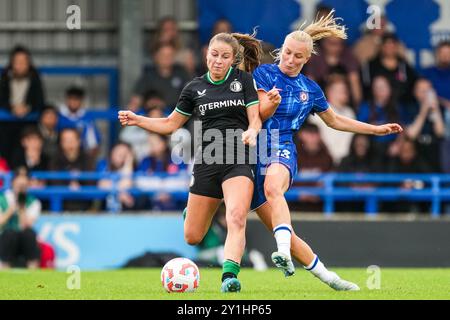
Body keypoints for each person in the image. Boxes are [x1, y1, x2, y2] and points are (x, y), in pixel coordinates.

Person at [250, 11, 402, 290]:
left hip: (281, 148)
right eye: (287, 53)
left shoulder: (311, 89)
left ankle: (280, 253)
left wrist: (374, 129)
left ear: (308, 59)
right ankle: (330, 278)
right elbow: (259, 112)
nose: (290, 60)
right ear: (280, 50)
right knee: (271, 226)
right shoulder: (264, 73)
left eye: (298, 56)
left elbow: (335, 121)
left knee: (274, 190)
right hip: (250, 151)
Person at [119, 32, 262, 293]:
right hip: (207, 160)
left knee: (236, 216)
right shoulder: (194, 88)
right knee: (193, 236)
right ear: (206, 55)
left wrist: (252, 130)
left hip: (238, 158)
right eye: (214, 55)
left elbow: (255, 117)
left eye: (225, 56)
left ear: (233, 59)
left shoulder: (243, 80)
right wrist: (138, 119)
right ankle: (191, 213)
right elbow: (171, 124)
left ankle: (229, 276)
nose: (218, 60)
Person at [0, 168, 41, 269]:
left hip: (23, 239)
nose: (21, 188)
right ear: (13, 183)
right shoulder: (3, 199)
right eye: (19, 185)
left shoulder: (34, 202)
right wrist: (11, 209)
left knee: (30, 234)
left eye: (23, 186)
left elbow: (26, 225)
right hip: (6, 238)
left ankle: (33, 269)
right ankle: (4, 269)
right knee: (9, 233)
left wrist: (21, 208)